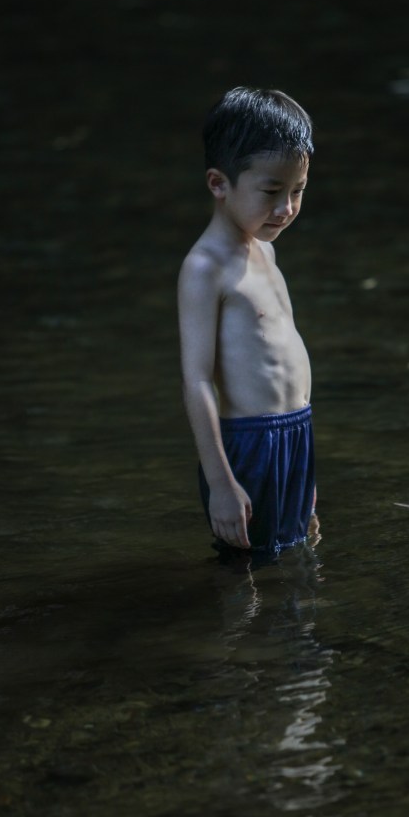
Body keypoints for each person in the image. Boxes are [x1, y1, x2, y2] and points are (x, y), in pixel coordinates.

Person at [178, 86, 318, 557]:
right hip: (249, 447)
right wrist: (220, 481)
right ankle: (236, 633)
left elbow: (286, 350)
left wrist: (305, 468)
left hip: (296, 433)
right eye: (271, 192)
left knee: (296, 561)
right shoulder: (205, 267)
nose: (286, 209)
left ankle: (290, 634)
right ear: (219, 183)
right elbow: (197, 380)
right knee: (246, 572)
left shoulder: (267, 252)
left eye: (297, 191)